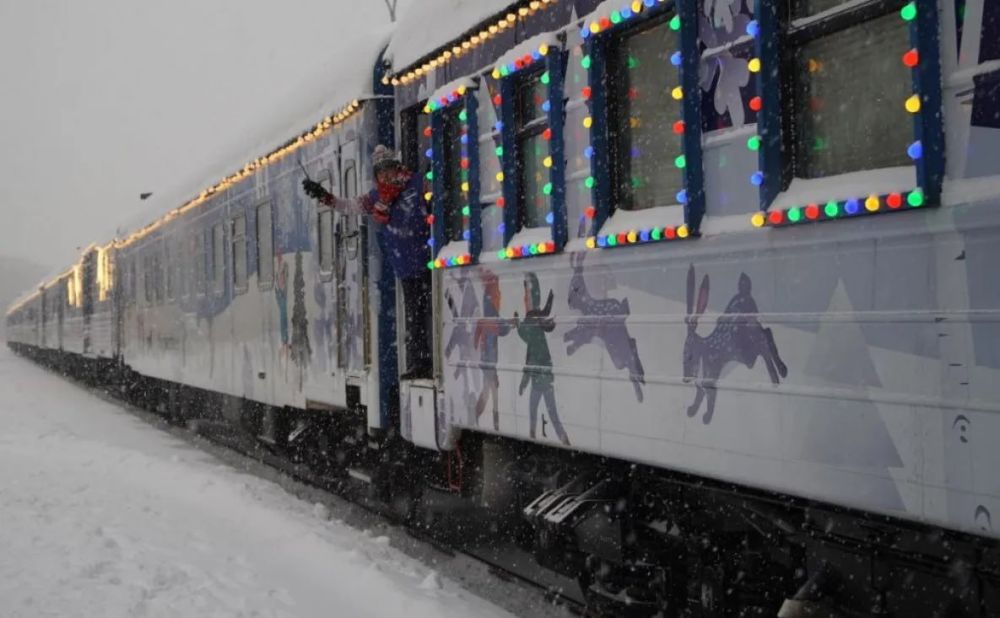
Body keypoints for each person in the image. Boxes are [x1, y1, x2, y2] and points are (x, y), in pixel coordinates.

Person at [302, 145, 432, 380]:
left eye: (388, 169)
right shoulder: (377, 198)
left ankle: (425, 360)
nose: (385, 176)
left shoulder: (417, 183)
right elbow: (348, 206)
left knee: (425, 313)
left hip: (428, 262)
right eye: (380, 172)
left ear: (396, 167)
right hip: (405, 268)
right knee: (414, 317)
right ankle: (419, 362)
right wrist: (323, 195)